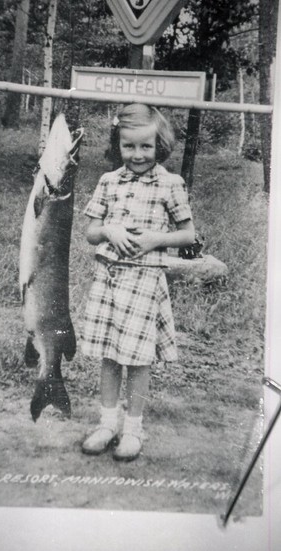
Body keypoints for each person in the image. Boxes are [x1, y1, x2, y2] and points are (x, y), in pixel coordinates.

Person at [80, 103, 195, 461]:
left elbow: (189, 235)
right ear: (118, 145)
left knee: (138, 360)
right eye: (129, 146)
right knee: (110, 358)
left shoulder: (171, 184)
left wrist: (155, 240)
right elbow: (90, 232)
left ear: (159, 145)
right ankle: (107, 423)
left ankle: (133, 428)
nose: (137, 154)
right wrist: (109, 230)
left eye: (146, 146)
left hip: (145, 283)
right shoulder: (108, 181)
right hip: (109, 283)